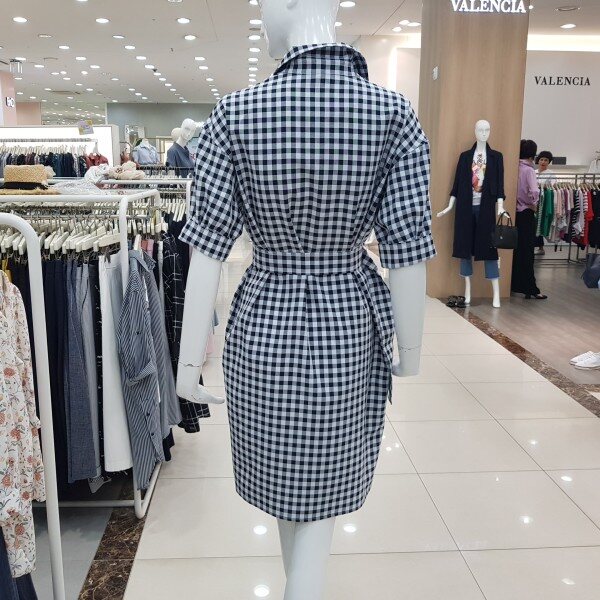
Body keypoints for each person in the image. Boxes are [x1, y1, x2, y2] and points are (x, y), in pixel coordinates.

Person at [511, 139, 548, 299]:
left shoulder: (514, 167)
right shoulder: (529, 170)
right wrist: (534, 204)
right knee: (527, 252)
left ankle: (513, 284)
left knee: (515, 251)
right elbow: (534, 192)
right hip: (526, 213)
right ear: (533, 154)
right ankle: (530, 288)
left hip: (513, 213)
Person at [534, 150, 555, 254]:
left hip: (544, 200)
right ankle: (533, 246)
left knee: (541, 221)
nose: (543, 162)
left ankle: (541, 247)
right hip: (533, 200)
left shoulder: (551, 174)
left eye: (546, 160)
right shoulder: (533, 172)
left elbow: (552, 186)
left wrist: (541, 186)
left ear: (548, 162)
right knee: (533, 222)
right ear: (538, 160)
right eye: (541, 159)